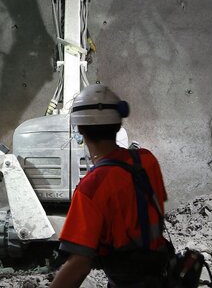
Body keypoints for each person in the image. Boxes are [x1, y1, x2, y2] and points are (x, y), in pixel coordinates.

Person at [49, 84, 171, 288]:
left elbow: (79, 264)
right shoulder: (147, 160)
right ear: (117, 125)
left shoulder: (91, 188)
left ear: (79, 129)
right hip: (163, 275)